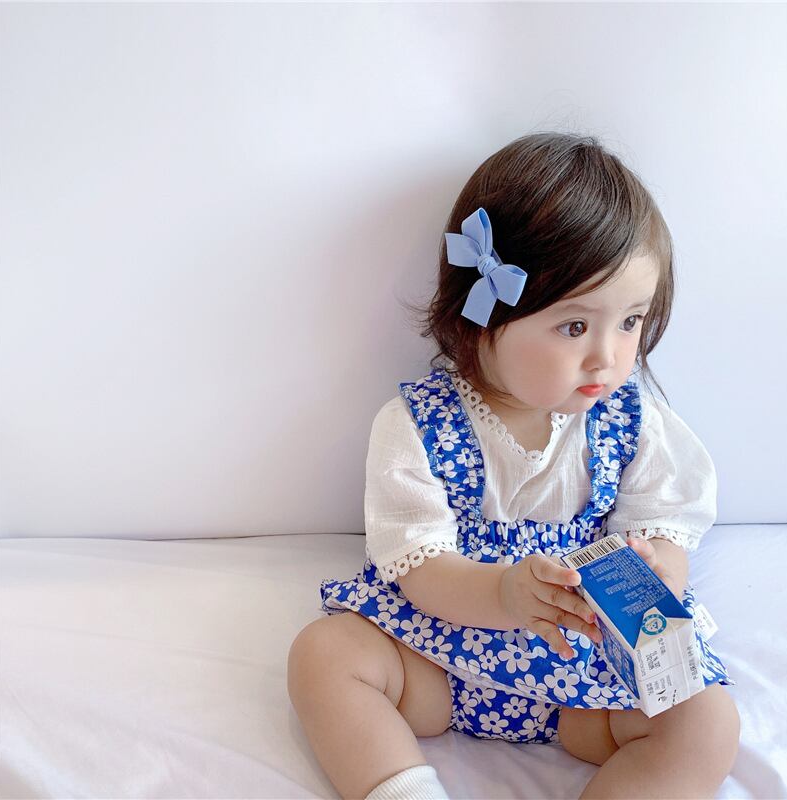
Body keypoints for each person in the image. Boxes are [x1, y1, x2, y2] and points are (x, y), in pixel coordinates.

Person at [287, 132, 741, 800]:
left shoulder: (633, 420)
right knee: (324, 654)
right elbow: (416, 565)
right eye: (574, 327)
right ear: (483, 317)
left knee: (708, 720)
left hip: (585, 677)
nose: (608, 357)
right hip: (443, 656)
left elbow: (668, 527)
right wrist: (503, 594)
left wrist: (654, 571)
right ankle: (405, 790)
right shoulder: (418, 424)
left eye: (630, 322)